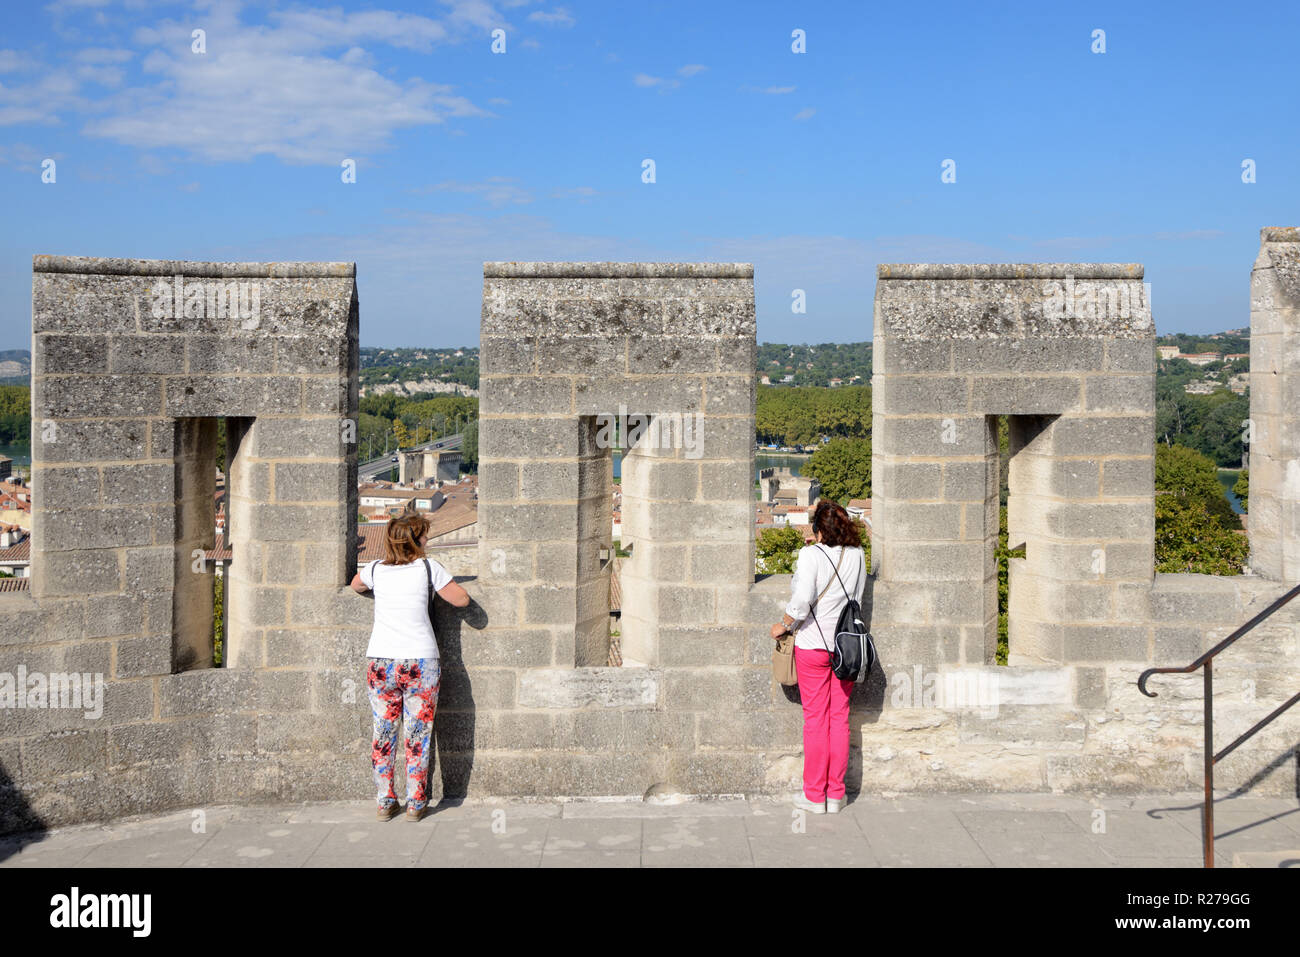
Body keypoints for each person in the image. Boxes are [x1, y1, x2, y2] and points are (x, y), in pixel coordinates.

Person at [350, 511, 470, 821]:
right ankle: (416, 803)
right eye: (425, 536)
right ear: (416, 541)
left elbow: (354, 585)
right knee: (418, 733)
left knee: (384, 731)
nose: (429, 540)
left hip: (381, 661)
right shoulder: (429, 568)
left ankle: (385, 800)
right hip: (420, 661)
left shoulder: (376, 568)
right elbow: (462, 600)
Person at [770, 500, 867, 814]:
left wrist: (782, 626)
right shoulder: (857, 555)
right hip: (846, 646)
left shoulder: (810, 554)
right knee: (839, 719)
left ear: (818, 529)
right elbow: (858, 599)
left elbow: (801, 601)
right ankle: (836, 795)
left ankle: (814, 796)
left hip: (813, 644)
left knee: (815, 721)